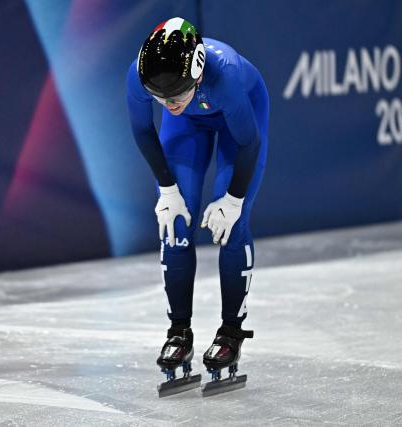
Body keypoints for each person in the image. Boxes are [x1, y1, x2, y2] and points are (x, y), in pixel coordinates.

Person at [126, 17, 268, 393]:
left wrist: (233, 200)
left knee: (233, 227)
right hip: (190, 127)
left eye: (176, 95)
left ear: (199, 75)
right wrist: (167, 191)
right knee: (175, 225)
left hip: (237, 122)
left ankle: (231, 333)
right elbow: (143, 131)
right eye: (160, 99)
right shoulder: (141, 75)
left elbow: (249, 144)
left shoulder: (228, 76)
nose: (168, 105)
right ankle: (179, 332)